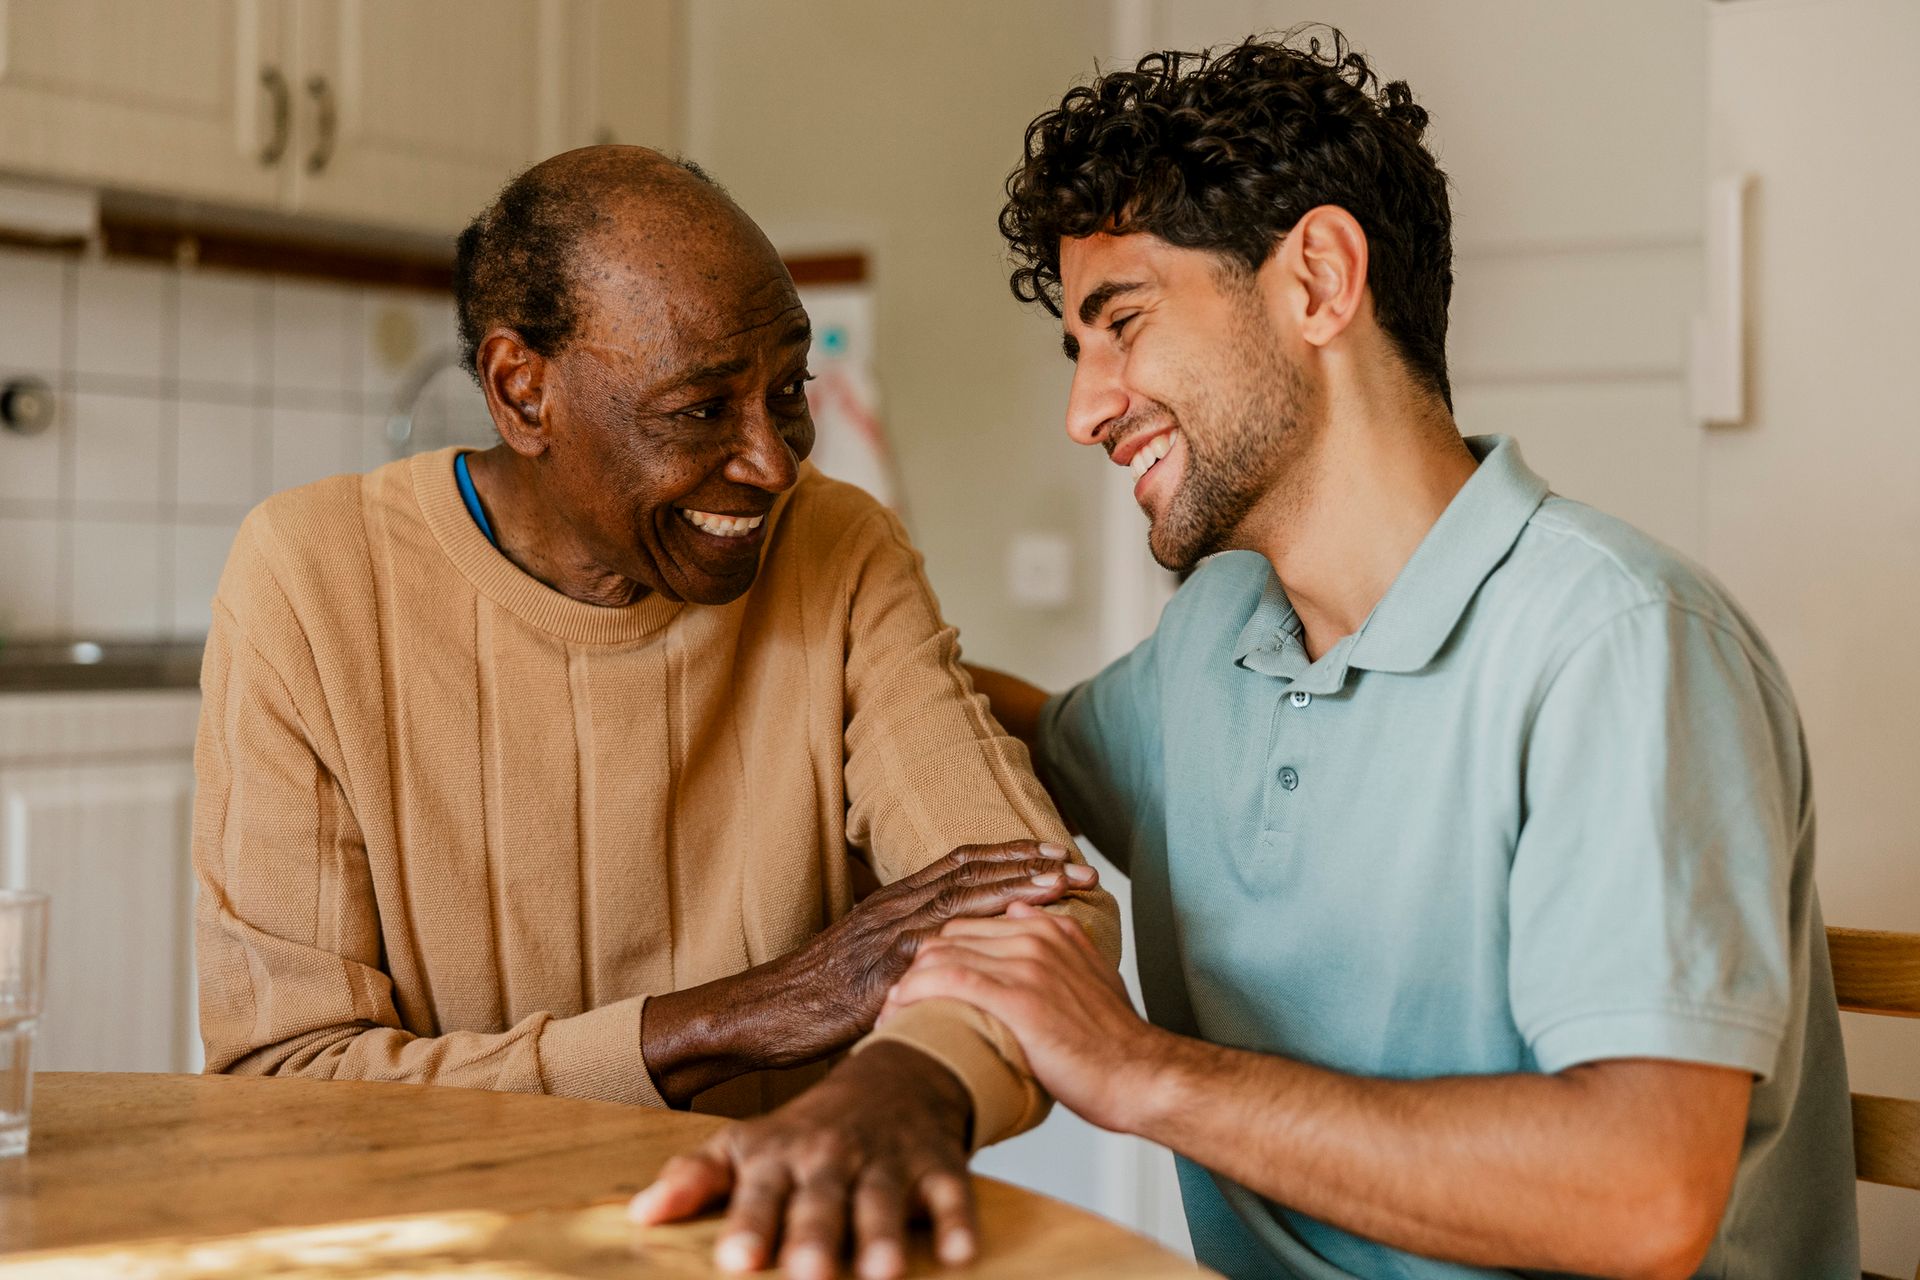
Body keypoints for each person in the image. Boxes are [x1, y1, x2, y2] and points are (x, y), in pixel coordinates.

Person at [883, 32, 1859, 1279]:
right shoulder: (1217, 638)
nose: (1086, 409)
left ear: (1318, 280)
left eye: (1120, 321)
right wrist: (827, 611)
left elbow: (1642, 1194)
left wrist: (1137, 1069)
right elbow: (990, 730)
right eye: (1078, 353)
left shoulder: (1617, 642)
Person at [192, 145, 1119, 1280]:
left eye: (789, 392)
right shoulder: (311, 574)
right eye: (699, 409)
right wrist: (740, 1014)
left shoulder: (837, 549)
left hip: (787, 1242)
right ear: (522, 389)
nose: (771, 462)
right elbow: (287, 1079)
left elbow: (1039, 905)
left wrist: (907, 1075)